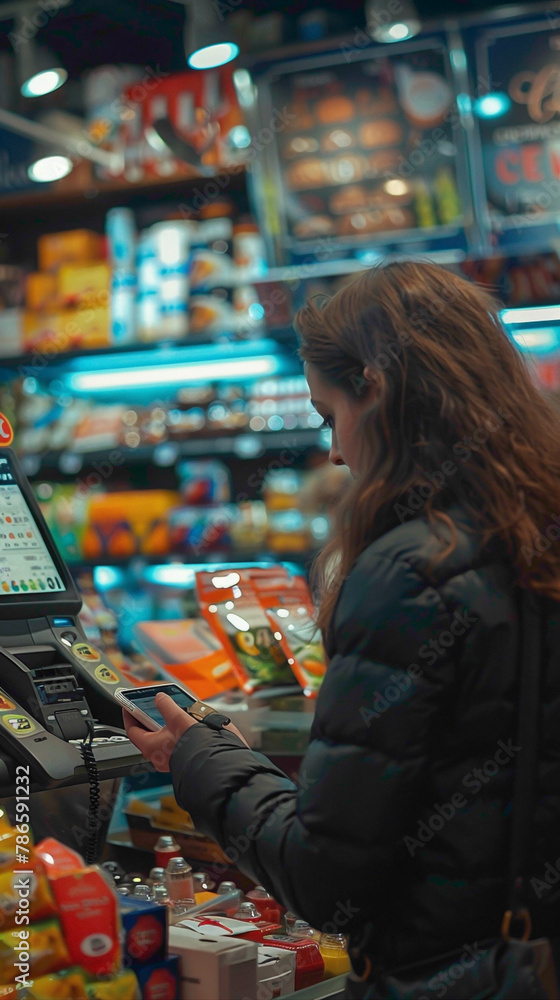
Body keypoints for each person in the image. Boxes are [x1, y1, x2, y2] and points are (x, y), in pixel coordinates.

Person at [123, 261, 560, 995]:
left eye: (331, 415)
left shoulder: (410, 573)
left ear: (377, 388)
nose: (334, 451)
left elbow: (326, 877)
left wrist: (203, 758)